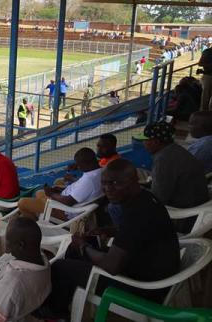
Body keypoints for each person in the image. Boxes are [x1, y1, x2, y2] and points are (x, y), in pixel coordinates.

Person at [43, 159, 180, 318]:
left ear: (133, 181)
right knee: (77, 250)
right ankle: (64, 304)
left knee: (60, 267)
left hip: (143, 289)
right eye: (105, 183)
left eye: (115, 183)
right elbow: (137, 235)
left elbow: (112, 266)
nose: (108, 189)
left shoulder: (138, 215)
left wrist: (83, 247)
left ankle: (53, 313)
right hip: (143, 268)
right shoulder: (145, 198)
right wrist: (108, 230)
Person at [137, 121, 208, 225]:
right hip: (193, 203)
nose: (143, 143)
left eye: (145, 140)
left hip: (183, 214)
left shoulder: (163, 160)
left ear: (156, 142)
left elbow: (158, 198)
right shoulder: (174, 149)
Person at [17, 148, 102, 219]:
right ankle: (37, 213)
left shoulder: (89, 180)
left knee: (22, 203)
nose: (78, 167)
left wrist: (52, 194)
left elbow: (69, 201)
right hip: (65, 200)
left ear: (87, 163)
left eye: (79, 165)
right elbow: (79, 190)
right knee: (39, 193)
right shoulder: (98, 172)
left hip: (64, 210)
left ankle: (32, 225)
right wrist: (61, 190)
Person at [198, 43, 212, 110]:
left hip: (208, 76)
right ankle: (203, 113)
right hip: (208, 76)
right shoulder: (207, 52)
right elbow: (200, 63)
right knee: (205, 96)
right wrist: (210, 65)